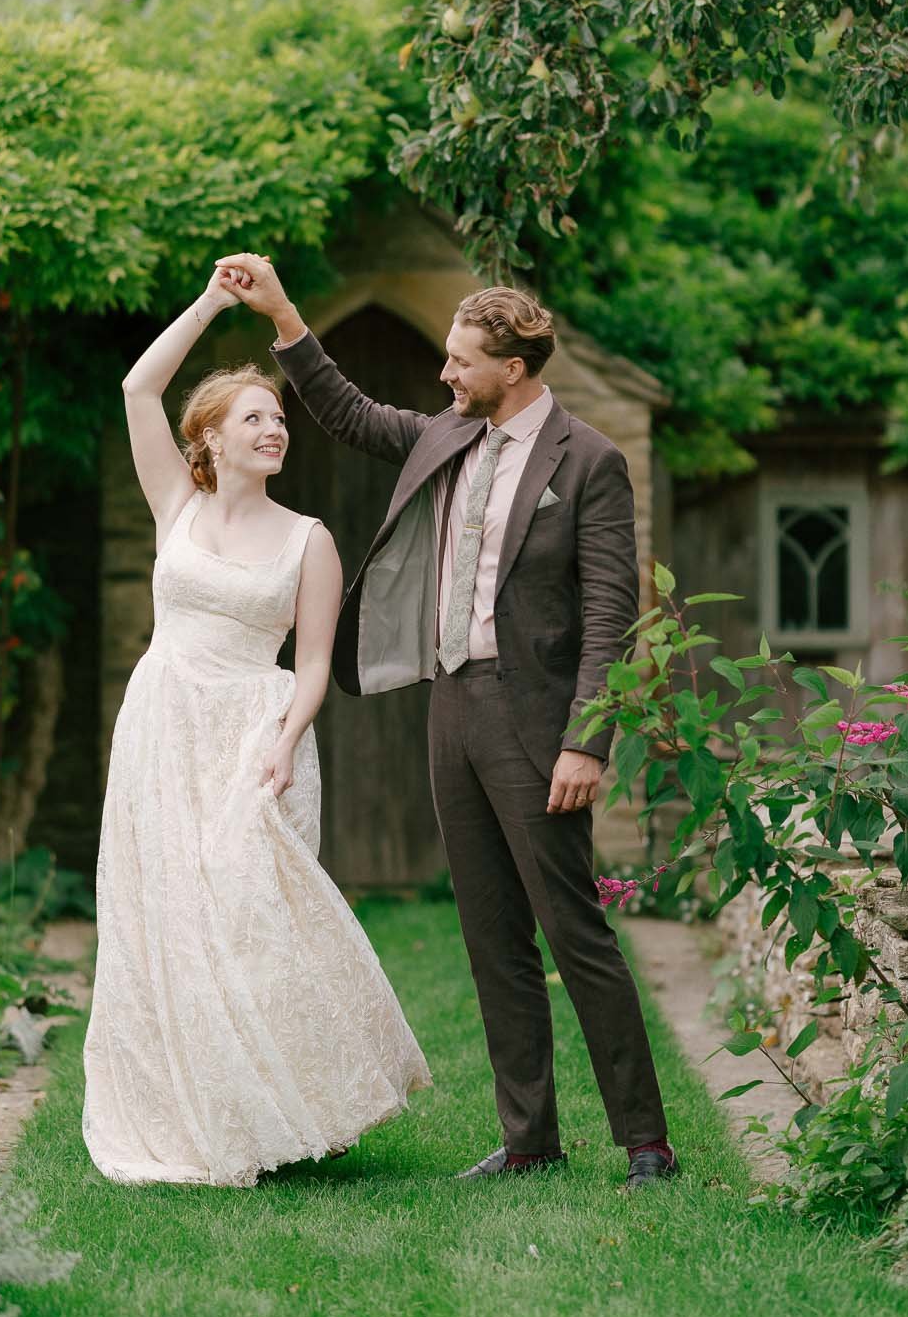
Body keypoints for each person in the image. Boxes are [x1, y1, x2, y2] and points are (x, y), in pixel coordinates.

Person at [218, 257, 676, 1190]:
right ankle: (529, 1141)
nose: (445, 375)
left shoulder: (588, 461)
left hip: (537, 719)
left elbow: (609, 614)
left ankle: (646, 1143)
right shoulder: (446, 436)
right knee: (489, 933)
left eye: (462, 362)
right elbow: (346, 412)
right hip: (451, 705)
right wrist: (284, 316)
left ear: (515, 368)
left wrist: (588, 740)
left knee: (572, 931)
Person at [81, 261, 430, 1188]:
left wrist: (280, 741)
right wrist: (211, 303)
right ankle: (200, 1115)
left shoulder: (308, 538)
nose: (275, 429)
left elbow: (311, 663)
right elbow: (136, 385)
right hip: (162, 725)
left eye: (280, 422)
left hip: (251, 730)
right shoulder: (176, 507)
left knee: (250, 915)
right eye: (256, 420)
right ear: (211, 440)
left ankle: (309, 1100)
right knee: (167, 916)